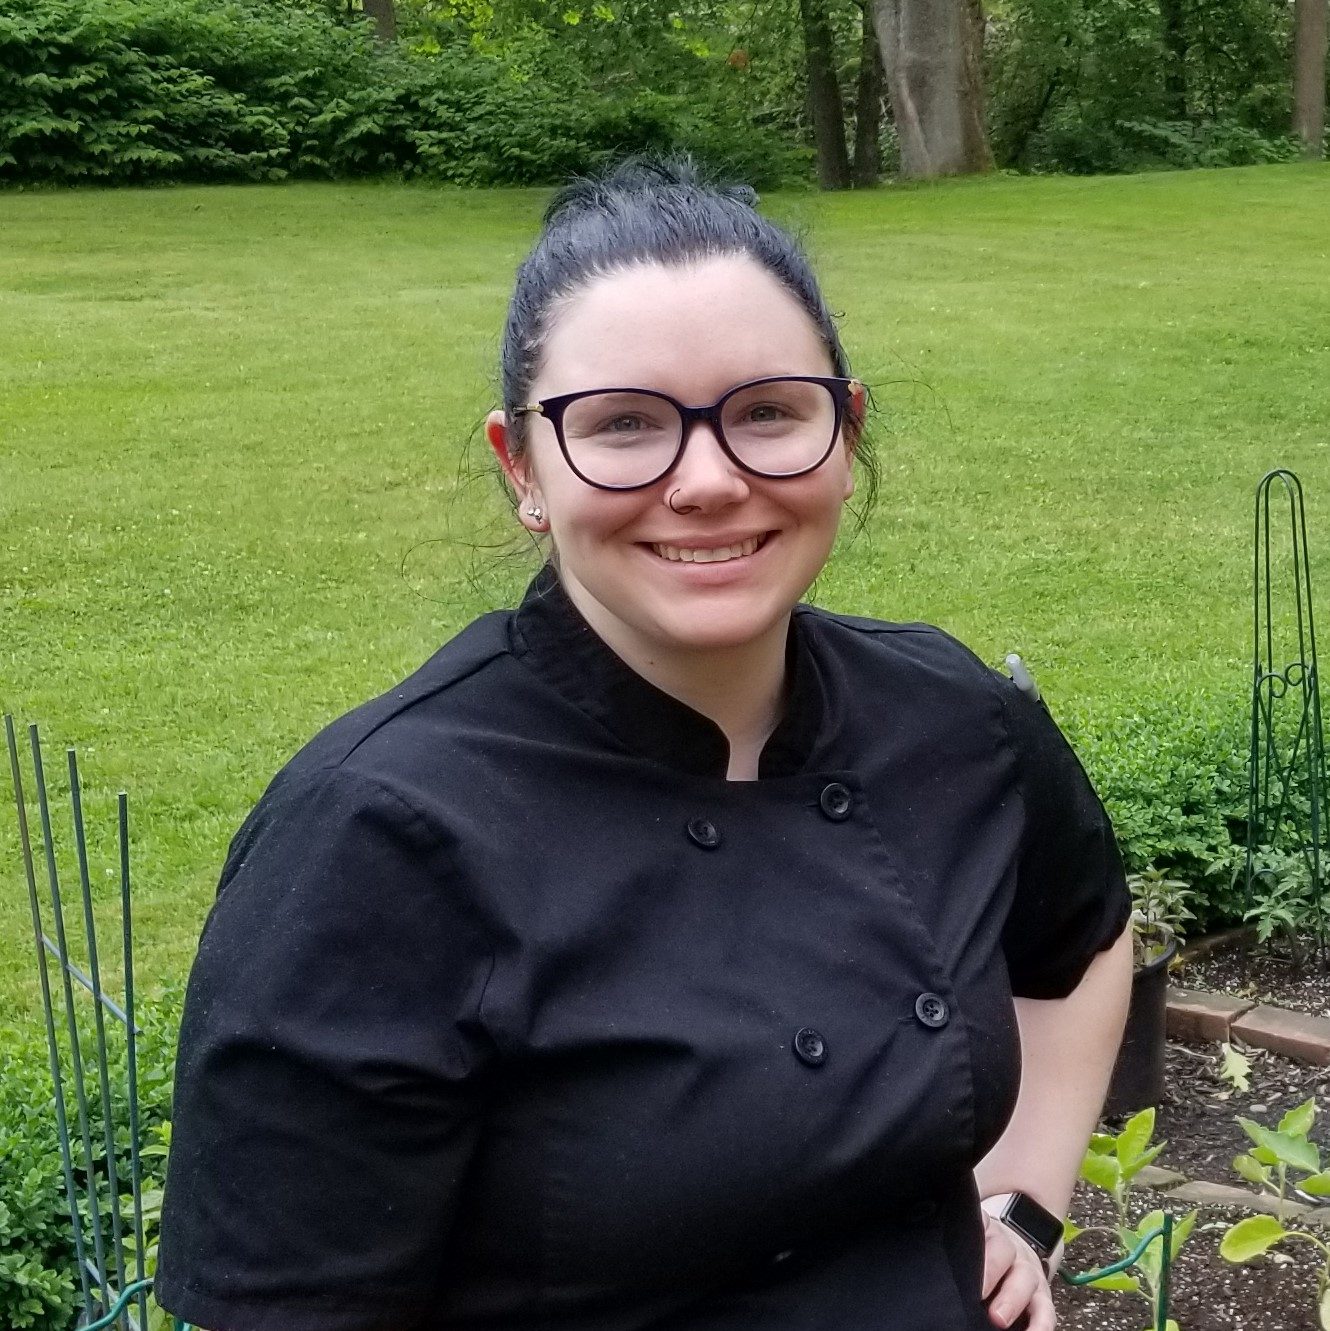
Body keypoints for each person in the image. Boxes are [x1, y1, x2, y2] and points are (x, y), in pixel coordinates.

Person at [156, 156, 1134, 1331]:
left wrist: (1021, 1200)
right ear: (522, 467)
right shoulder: (378, 833)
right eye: (623, 425)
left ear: (846, 430)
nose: (709, 479)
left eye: (768, 411)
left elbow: (1083, 937)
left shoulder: (951, 716)